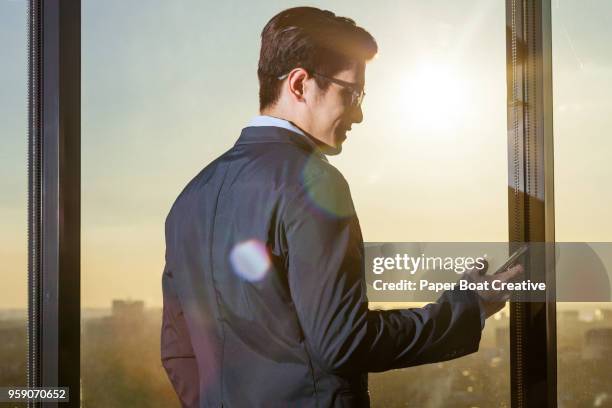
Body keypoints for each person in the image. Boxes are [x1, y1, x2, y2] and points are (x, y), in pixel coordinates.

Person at [161, 6, 522, 407]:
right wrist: (466, 307)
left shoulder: (190, 196)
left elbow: (179, 353)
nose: (360, 113)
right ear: (299, 84)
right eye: (350, 93)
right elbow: (342, 341)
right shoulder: (310, 181)